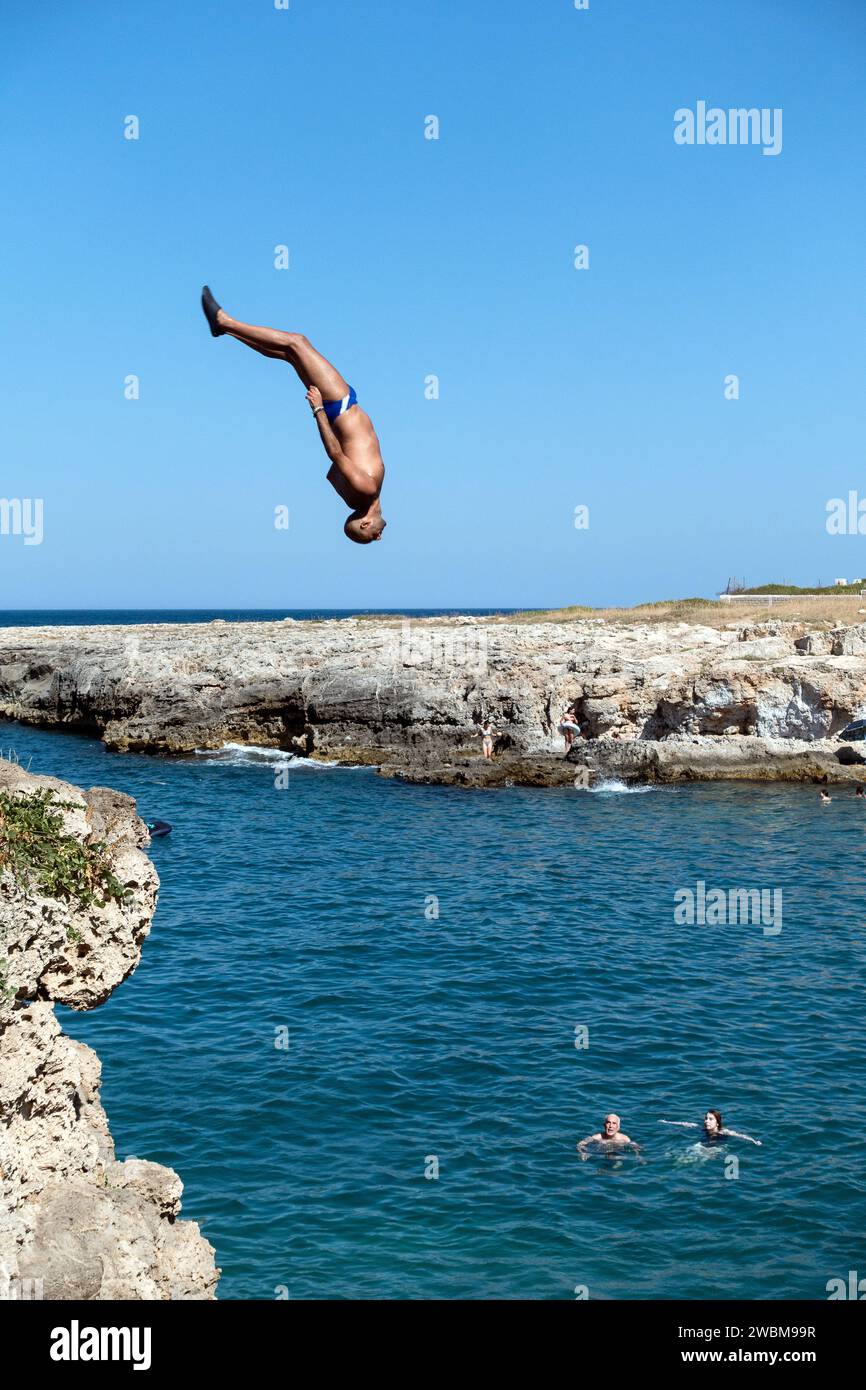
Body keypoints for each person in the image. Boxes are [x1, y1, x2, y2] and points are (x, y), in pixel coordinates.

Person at [201, 287, 386, 544]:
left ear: (365, 522)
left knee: (296, 342)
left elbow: (335, 455)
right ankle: (225, 330)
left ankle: (224, 321)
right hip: (338, 411)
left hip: (338, 405)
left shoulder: (365, 490)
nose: (380, 535)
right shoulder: (354, 496)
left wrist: (319, 409)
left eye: (373, 534)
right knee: (289, 354)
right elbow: (332, 473)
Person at [660, 1110, 761, 1145]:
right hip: (704, 1143)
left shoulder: (724, 1131)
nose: (706, 1121)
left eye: (710, 1119)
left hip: (718, 1146)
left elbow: (741, 1136)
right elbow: (684, 1123)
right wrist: (667, 1122)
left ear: (717, 1123)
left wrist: (754, 1141)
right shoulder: (700, 1127)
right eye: (706, 1118)